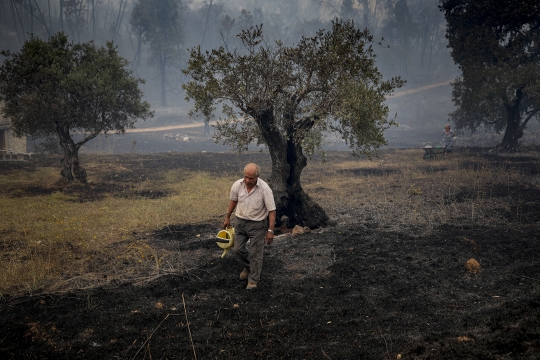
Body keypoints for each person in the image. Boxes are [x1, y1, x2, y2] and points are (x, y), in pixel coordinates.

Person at [223, 163, 276, 290]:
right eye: (246, 177)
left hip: (257, 225)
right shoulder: (237, 185)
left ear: (258, 176)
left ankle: (253, 280)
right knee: (237, 250)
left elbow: (272, 211)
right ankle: (248, 268)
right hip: (240, 222)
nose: (247, 180)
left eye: (251, 178)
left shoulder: (265, 189)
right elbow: (233, 201)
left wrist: (270, 230)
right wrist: (227, 216)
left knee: (255, 254)